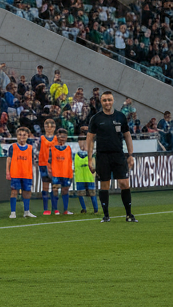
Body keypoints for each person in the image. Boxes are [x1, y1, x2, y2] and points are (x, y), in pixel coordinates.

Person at [85, 91, 136, 223]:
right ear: (101, 102)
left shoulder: (120, 116)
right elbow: (90, 139)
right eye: (104, 100)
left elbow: (127, 135)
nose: (107, 102)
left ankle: (129, 215)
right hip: (102, 156)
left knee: (124, 183)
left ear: (113, 101)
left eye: (109, 100)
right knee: (104, 185)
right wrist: (90, 159)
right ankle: (106, 216)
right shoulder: (96, 118)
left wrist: (130, 155)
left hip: (118, 155)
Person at [6, 126, 36, 219]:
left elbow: (32, 162)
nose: (22, 137)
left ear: (28, 136)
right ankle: (13, 212)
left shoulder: (30, 148)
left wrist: (32, 173)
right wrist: (7, 171)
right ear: (17, 136)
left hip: (26, 173)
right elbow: (9, 160)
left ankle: (26, 211)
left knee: (27, 192)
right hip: (15, 173)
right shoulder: (13, 147)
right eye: (20, 134)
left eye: (24, 135)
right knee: (14, 192)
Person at [48, 128, 75, 215]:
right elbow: (48, 161)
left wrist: (71, 173)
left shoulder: (68, 148)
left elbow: (70, 161)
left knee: (65, 191)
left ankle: (65, 210)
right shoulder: (52, 148)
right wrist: (50, 171)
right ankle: (55, 209)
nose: (62, 138)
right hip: (56, 173)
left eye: (64, 136)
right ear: (57, 136)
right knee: (55, 190)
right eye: (61, 135)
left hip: (66, 173)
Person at [74, 128, 99, 213]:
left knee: (92, 192)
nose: (82, 142)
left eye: (84, 140)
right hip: (79, 177)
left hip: (89, 176)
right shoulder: (75, 154)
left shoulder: (92, 153)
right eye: (80, 140)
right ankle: (84, 208)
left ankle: (96, 209)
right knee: (80, 193)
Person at [38, 117, 57, 214]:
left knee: (55, 187)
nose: (49, 128)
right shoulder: (41, 139)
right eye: (47, 126)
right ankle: (46, 209)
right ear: (44, 127)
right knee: (45, 187)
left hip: (55, 166)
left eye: (51, 126)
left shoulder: (57, 139)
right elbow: (37, 151)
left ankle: (55, 208)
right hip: (44, 165)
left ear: (54, 127)